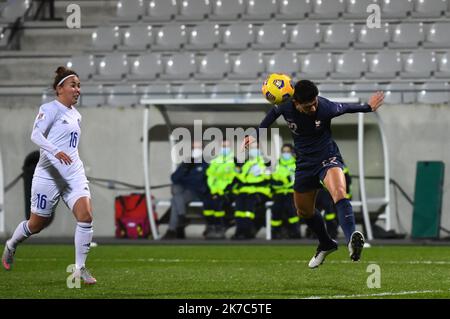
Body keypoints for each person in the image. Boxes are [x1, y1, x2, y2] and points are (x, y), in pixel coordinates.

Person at [243, 80, 384, 268]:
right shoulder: (285, 106)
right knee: (304, 211)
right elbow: (271, 115)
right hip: (304, 164)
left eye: (315, 102)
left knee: (339, 192)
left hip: (328, 158)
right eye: (308, 106)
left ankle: (352, 238)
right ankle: (326, 243)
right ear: (296, 103)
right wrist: (256, 134)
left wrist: (368, 107)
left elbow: (348, 108)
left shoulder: (325, 108)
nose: (313, 107)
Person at [2, 66, 96, 283]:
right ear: (59, 88)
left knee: (86, 216)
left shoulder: (77, 115)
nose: (77, 90)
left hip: (73, 175)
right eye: (73, 85)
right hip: (48, 175)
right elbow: (35, 134)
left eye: (79, 86)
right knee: (36, 224)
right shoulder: (50, 108)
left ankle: (79, 268)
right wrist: (55, 151)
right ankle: (11, 244)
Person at [162, 141, 209, 239]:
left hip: (196, 193)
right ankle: (181, 217)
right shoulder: (186, 163)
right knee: (176, 191)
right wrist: (184, 168)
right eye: (194, 148)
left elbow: (198, 182)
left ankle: (172, 229)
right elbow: (174, 178)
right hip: (183, 193)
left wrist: (186, 179)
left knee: (175, 199)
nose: (196, 150)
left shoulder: (206, 164)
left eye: (198, 148)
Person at [232, 142, 271, 239]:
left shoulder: (265, 162)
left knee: (249, 204)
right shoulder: (247, 162)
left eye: (255, 147)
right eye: (252, 148)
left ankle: (247, 231)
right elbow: (242, 178)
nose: (253, 150)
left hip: (260, 191)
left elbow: (266, 177)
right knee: (239, 206)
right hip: (246, 190)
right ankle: (239, 230)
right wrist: (236, 171)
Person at [203, 140, 236, 239]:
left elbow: (234, 179)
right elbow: (210, 176)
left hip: (227, 191)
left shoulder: (234, 161)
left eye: (227, 146)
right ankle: (211, 226)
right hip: (214, 190)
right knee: (207, 202)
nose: (224, 148)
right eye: (223, 146)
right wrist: (213, 190)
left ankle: (220, 227)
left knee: (218, 203)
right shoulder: (215, 161)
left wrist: (223, 190)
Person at [270, 143, 301, 239]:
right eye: (284, 152)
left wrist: (284, 181)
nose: (286, 154)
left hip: (292, 193)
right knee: (276, 211)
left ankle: (295, 233)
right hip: (279, 193)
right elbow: (274, 180)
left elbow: (298, 180)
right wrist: (286, 181)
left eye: (288, 152)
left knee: (292, 211)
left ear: (292, 153)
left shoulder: (297, 164)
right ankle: (275, 233)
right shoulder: (277, 165)